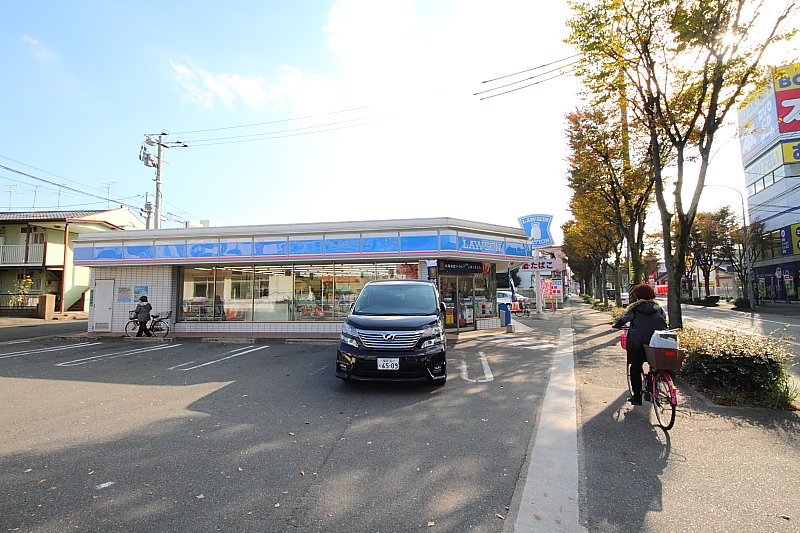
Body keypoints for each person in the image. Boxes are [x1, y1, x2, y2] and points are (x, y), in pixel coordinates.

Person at [612, 284, 667, 405]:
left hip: (638, 343)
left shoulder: (634, 309)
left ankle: (637, 397)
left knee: (635, 368)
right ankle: (656, 385)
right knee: (656, 365)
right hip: (657, 342)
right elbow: (664, 320)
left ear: (637, 296)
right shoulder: (659, 308)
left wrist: (616, 325)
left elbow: (624, 319)